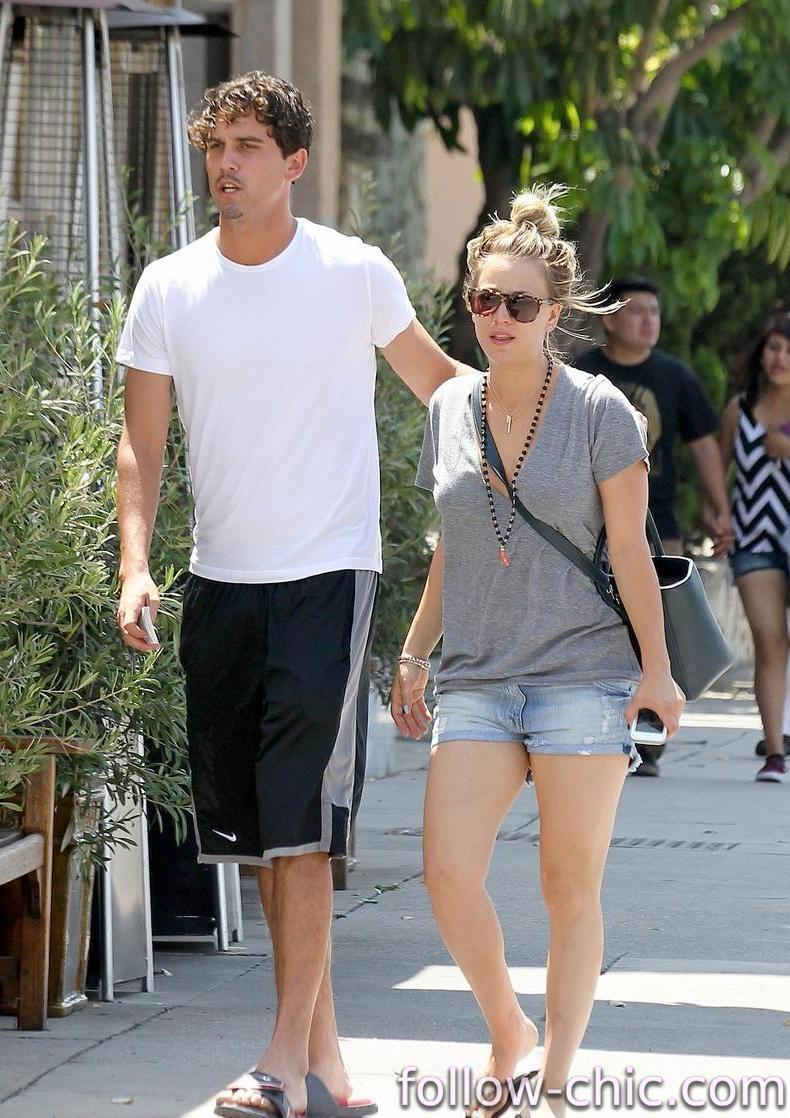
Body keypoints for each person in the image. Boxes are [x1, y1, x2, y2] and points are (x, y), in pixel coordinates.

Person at [115, 72, 463, 1118]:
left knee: (302, 830)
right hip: (220, 583)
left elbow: (441, 388)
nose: (226, 164)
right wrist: (135, 564)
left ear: (295, 161)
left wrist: (548, 417)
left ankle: (277, 1064)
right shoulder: (168, 286)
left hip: (328, 577)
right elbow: (140, 446)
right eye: (215, 145)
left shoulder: (352, 273)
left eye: (249, 145)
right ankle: (328, 1065)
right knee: (267, 840)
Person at [390, 186, 684, 1118]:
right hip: (478, 675)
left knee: (568, 887)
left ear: (554, 315)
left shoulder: (602, 411)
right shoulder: (449, 406)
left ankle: (554, 1078)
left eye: (520, 303)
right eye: (485, 300)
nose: (499, 318)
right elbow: (456, 546)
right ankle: (507, 1030)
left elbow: (630, 551)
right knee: (447, 875)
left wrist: (657, 672)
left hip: (583, 677)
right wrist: (413, 655)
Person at [575, 277, 731, 776]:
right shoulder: (581, 374)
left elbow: (703, 444)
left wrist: (718, 507)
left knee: (658, 628)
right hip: (587, 527)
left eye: (654, 312)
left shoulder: (675, 375)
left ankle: (653, 731)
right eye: (637, 310)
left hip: (658, 524)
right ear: (609, 319)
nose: (649, 321)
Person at [718, 313, 790, 783]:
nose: (780, 358)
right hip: (754, 538)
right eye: (774, 347)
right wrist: (716, 514)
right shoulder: (739, 410)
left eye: (789, 350)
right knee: (770, 641)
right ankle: (775, 752)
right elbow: (715, 469)